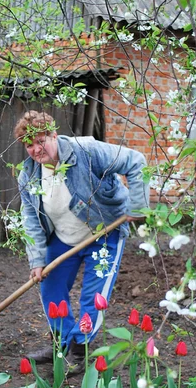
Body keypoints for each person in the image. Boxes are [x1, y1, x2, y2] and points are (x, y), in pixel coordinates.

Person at [14, 110, 149, 371]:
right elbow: (30, 218)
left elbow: (136, 161)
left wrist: (138, 205)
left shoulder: (86, 151)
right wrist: (37, 259)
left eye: (40, 141)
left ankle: (79, 349)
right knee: (50, 288)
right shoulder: (28, 175)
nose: (35, 149)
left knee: (93, 296)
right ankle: (62, 343)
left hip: (104, 233)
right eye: (28, 144)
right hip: (64, 237)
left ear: (54, 135)